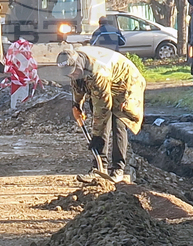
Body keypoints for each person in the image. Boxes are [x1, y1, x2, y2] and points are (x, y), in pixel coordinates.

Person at [57, 46, 146, 184]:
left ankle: (118, 169)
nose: (72, 74)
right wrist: (77, 104)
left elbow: (103, 109)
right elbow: (78, 83)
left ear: (78, 64)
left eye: (73, 71)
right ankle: (99, 167)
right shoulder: (76, 63)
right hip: (106, 81)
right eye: (69, 74)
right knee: (100, 121)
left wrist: (96, 137)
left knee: (118, 122)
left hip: (126, 83)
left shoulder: (98, 72)